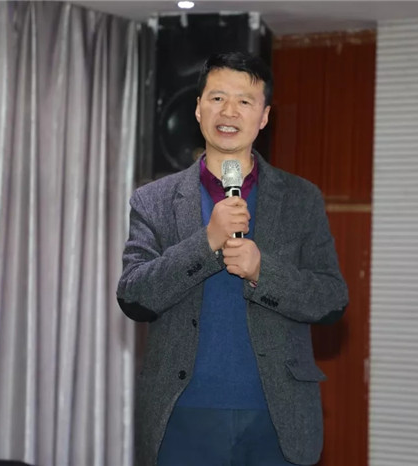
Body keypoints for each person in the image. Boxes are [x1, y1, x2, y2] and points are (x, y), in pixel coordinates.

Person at [117, 51, 349, 466]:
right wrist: (206, 242)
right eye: (217, 98)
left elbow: (331, 300)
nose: (229, 111)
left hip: (277, 417)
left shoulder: (301, 199)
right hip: (183, 415)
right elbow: (134, 297)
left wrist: (263, 271)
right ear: (198, 108)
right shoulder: (153, 201)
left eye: (244, 101)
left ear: (264, 116)